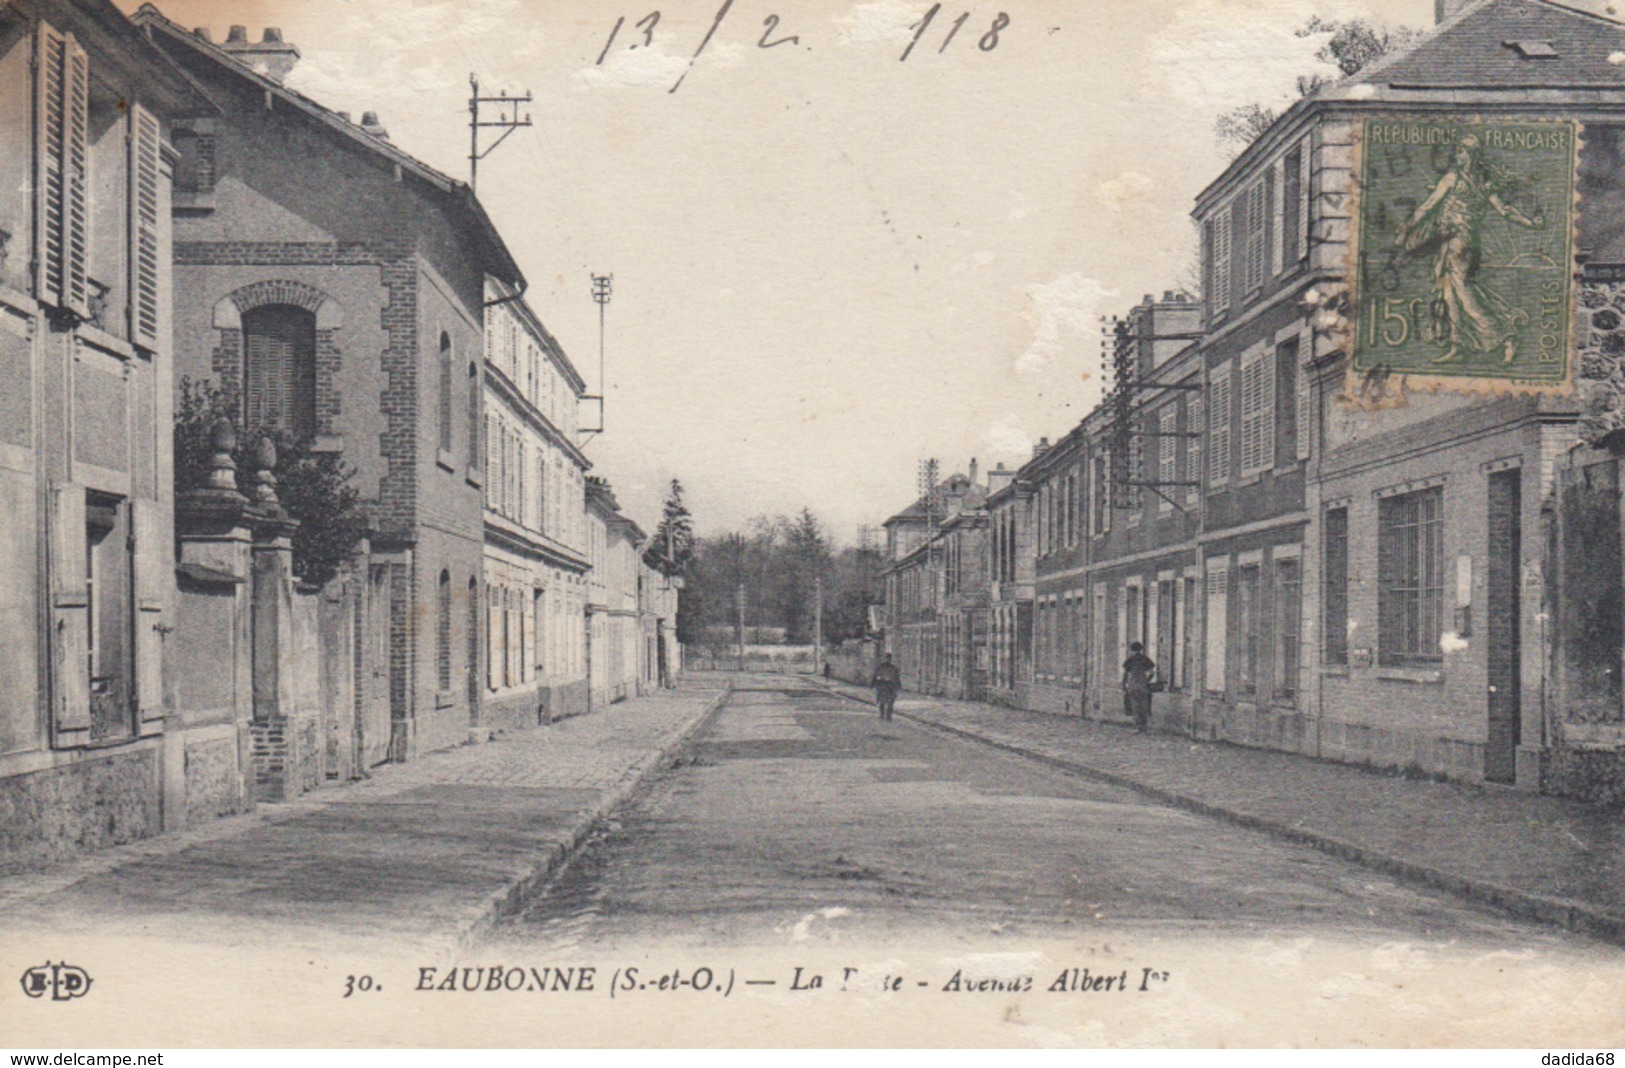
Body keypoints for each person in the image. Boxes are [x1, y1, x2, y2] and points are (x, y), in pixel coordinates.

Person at [1393, 133, 1544, 365]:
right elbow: (1505, 210)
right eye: (1457, 150)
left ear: (1471, 154)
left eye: (1461, 151)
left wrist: (1405, 231)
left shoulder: (1453, 178)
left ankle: (1505, 337)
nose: (1457, 155)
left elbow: (1428, 206)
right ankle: (1458, 345)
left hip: (1457, 243)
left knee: (1463, 294)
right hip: (1463, 243)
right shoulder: (1484, 183)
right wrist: (1530, 223)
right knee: (1448, 293)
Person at [1122, 641, 1155, 733]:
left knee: (1135, 706)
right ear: (1141, 649)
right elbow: (1152, 673)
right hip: (1143, 685)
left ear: (1131, 649)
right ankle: (1145, 726)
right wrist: (1147, 680)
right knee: (1144, 705)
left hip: (1132, 684)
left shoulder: (1130, 660)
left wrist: (1124, 684)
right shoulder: (1145, 659)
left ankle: (1138, 727)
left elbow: (1125, 674)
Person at [871, 653, 901, 722]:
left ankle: (888, 715)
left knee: (891, 701)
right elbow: (876, 675)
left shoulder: (893, 668)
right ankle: (882, 714)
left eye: (889, 658)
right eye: (887, 658)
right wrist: (874, 683)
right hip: (882, 686)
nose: (888, 660)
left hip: (891, 687)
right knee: (882, 701)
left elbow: (897, 677)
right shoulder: (881, 667)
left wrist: (898, 685)